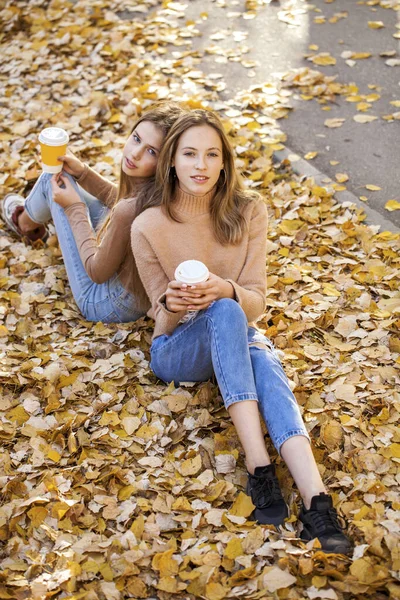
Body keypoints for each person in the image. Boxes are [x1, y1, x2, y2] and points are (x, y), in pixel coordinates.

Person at [131, 109, 352, 554]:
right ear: (172, 159)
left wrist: (227, 288)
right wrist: (174, 303)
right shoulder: (147, 225)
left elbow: (256, 301)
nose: (201, 165)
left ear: (224, 162)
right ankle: (259, 465)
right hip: (176, 348)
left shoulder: (248, 211)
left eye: (212, 154)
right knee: (229, 316)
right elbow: (161, 310)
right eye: (190, 153)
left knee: (258, 352)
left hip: (238, 336)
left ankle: (316, 500)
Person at [1, 102, 185, 323]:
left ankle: (25, 223)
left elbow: (97, 273)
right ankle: (34, 216)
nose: (135, 154)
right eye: (136, 138)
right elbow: (124, 203)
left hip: (106, 303)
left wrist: (73, 208)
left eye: (151, 151)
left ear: (167, 162)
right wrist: (84, 174)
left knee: (53, 180)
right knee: (68, 178)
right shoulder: (171, 191)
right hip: (139, 292)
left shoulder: (129, 211)